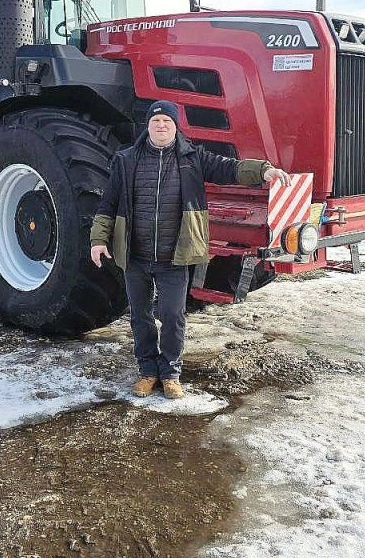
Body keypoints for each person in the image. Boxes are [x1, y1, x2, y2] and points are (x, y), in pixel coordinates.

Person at [89, 100, 291, 400]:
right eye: (156, 121)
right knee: (140, 317)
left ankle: (170, 373)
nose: (161, 126)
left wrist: (263, 171)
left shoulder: (191, 157)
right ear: (148, 125)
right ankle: (147, 372)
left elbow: (228, 168)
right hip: (135, 255)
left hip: (174, 256)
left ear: (175, 126)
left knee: (172, 316)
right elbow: (108, 202)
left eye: (166, 122)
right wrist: (98, 239)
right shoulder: (127, 159)